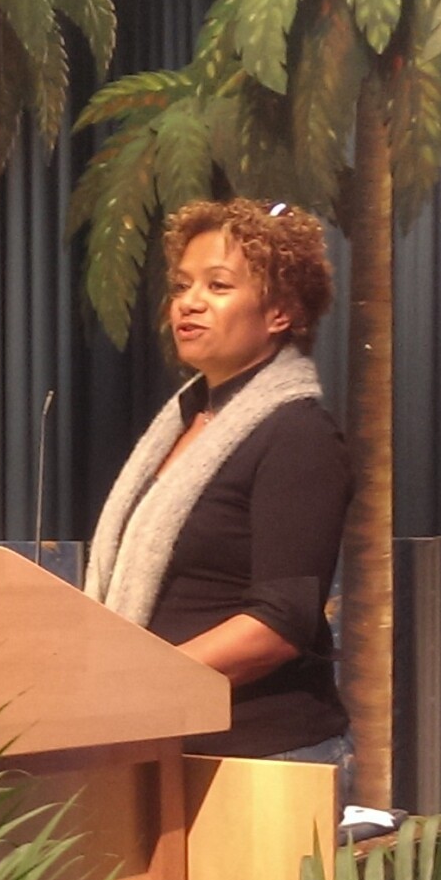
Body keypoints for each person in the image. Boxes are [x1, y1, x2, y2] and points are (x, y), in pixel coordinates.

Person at [85, 198, 352, 764]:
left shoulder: (298, 435)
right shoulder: (182, 425)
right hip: (161, 738)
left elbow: (280, 624)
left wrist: (133, 684)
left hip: (259, 754)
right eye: (182, 286)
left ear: (280, 313)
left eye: (219, 286)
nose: (190, 302)